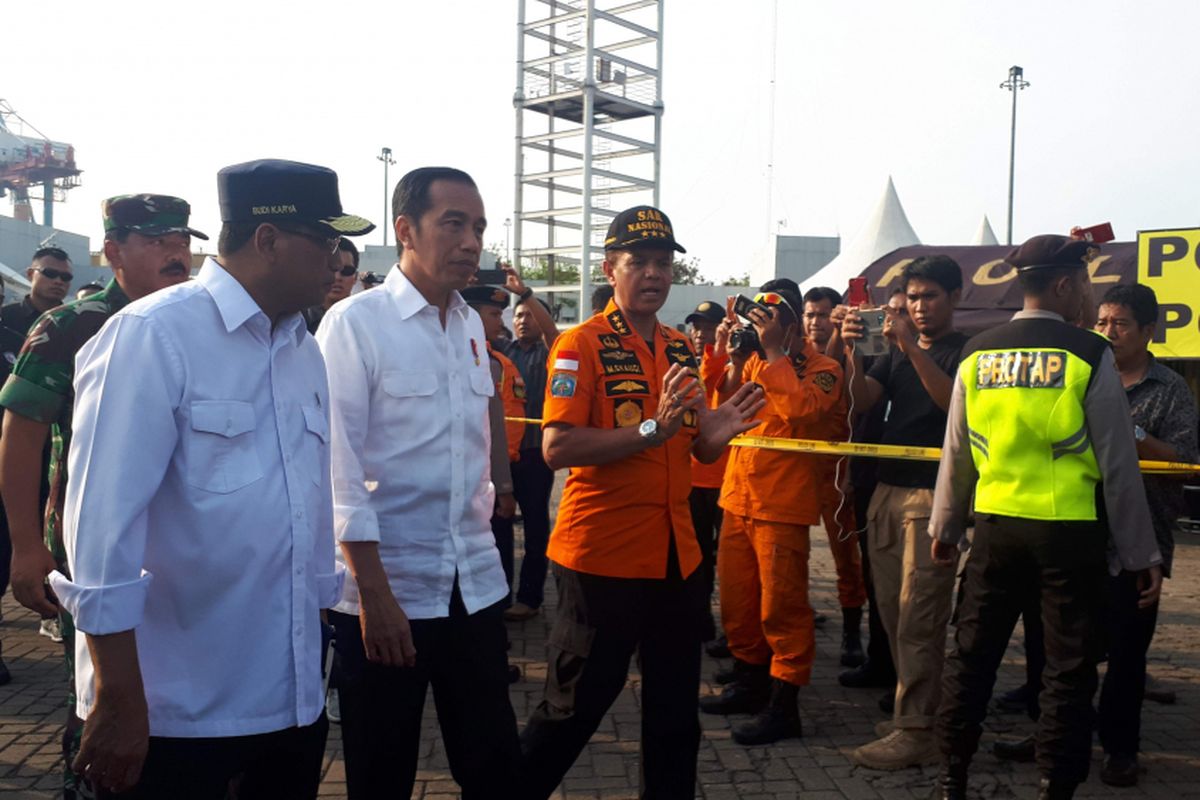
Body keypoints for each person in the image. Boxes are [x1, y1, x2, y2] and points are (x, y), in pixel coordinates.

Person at [52, 159, 372, 798]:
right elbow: (99, 532)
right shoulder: (153, 336)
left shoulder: (301, 350)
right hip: (175, 711)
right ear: (269, 240)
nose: (340, 262)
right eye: (328, 241)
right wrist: (119, 699)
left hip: (287, 699)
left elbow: (304, 516)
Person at [518, 205, 766, 799]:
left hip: (677, 562)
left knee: (676, 718)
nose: (654, 274)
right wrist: (651, 429)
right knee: (570, 710)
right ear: (611, 268)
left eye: (663, 263)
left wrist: (718, 430)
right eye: (639, 262)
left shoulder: (682, 348)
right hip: (601, 560)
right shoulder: (581, 345)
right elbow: (557, 447)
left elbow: (698, 450)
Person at [929, 236, 1164, 800]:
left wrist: (945, 526)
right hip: (1068, 536)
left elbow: (956, 451)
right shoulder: (1088, 355)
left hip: (994, 531)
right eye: (1085, 282)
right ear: (1064, 284)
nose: (1089, 293)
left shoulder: (977, 353)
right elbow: (1118, 466)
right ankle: (1055, 787)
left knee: (971, 659)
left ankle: (949, 778)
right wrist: (1142, 555)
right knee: (1068, 670)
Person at [316, 166, 521, 799]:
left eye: (479, 227)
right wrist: (373, 596)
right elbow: (338, 476)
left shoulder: (468, 326)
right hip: (388, 595)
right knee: (383, 771)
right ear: (406, 229)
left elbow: (478, 445)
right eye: (452, 224)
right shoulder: (354, 326)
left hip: (473, 585)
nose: (470, 242)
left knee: (493, 765)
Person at [0, 195, 205, 800]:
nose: (176, 251)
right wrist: (25, 546)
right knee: (98, 699)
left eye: (180, 238)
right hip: (93, 551)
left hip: (181, 554)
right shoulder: (73, 326)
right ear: (113, 252)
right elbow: (21, 436)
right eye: (155, 240)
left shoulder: (200, 322)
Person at [699, 279, 844, 746]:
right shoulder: (758, 360)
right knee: (739, 604)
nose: (761, 324)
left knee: (782, 609)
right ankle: (749, 683)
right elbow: (723, 404)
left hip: (782, 504)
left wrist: (774, 352)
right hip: (739, 495)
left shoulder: (824, 369)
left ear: (792, 319)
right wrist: (739, 358)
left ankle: (785, 707)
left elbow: (803, 411)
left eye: (771, 316)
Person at [840, 256, 969, 770]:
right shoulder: (893, 353)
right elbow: (862, 400)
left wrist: (911, 348)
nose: (918, 307)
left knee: (921, 616)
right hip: (887, 490)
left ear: (956, 298)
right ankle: (912, 716)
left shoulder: (967, 350)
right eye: (912, 297)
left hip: (931, 496)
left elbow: (950, 405)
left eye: (930, 296)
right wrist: (852, 353)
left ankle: (918, 730)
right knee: (892, 613)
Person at [801, 285, 868, 667]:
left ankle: (851, 631)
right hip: (800, 466)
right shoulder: (798, 355)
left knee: (845, 555)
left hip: (839, 467)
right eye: (810, 314)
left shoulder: (851, 350)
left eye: (823, 314)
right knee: (792, 551)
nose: (815, 322)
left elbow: (862, 409)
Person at [497, 272, 560, 622]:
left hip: (536, 455)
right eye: (519, 315)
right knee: (499, 528)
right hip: (504, 457)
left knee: (536, 528)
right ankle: (500, 594)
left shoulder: (549, 352)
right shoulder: (502, 351)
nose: (523, 321)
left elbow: (554, 334)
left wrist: (526, 294)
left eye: (530, 315)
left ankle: (530, 598)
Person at [683, 300, 727, 643]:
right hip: (692, 477)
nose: (701, 333)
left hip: (726, 478)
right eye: (696, 326)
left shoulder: (733, 363)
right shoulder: (683, 363)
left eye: (709, 326)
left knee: (728, 559)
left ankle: (734, 625)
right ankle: (698, 616)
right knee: (695, 556)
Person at [0, 247, 73, 341]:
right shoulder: (5, 318)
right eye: (50, 273)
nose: (58, 281)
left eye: (65, 277)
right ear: (30, 274)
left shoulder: (77, 322)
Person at [303, 238, 358, 333]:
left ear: (356, 277)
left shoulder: (365, 321)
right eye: (332, 268)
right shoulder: (297, 323)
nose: (337, 277)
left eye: (347, 271)